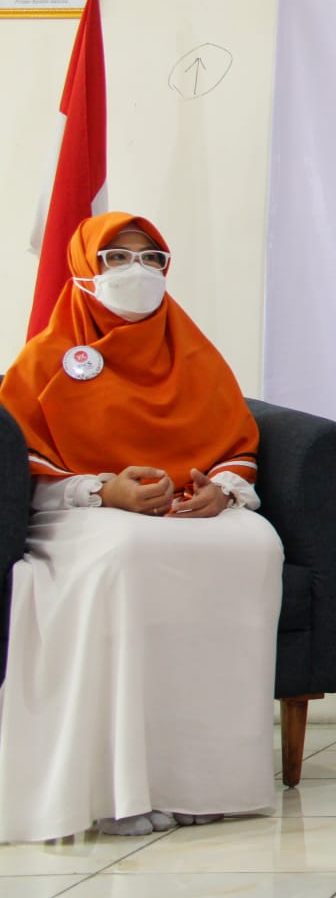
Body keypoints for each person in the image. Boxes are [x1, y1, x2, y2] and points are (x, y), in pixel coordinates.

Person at [0, 212, 283, 841]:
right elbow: (22, 461)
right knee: (127, 551)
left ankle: (206, 781)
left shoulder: (192, 351)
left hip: (182, 507)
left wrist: (221, 491)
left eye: (152, 257)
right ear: (84, 270)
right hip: (81, 515)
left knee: (253, 542)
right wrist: (104, 491)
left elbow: (234, 442)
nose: (138, 270)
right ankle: (119, 788)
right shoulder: (46, 357)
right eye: (118, 258)